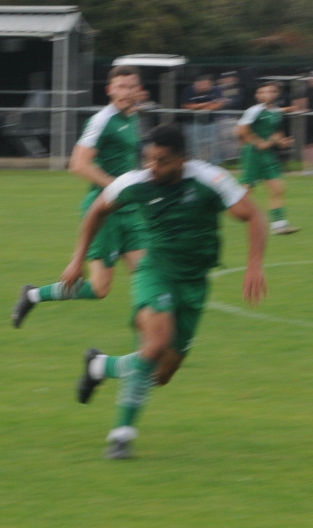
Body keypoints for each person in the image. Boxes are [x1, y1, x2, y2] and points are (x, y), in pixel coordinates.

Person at [64, 123, 266, 459]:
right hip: (155, 269)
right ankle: (122, 435)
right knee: (156, 343)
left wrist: (255, 265)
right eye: (149, 159)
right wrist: (77, 260)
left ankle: (100, 366)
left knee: (161, 374)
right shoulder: (135, 183)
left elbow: (253, 215)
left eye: (163, 162)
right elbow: (97, 211)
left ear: (184, 159)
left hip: (195, 282)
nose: (153, 168)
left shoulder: (209, 180)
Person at [12, 66, 146, 328]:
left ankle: (149, 341)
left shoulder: (132, 118)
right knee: (99, 288)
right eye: (120, 86)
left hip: (131, 211)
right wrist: (115, 186)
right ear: (109, 90)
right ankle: (33, 294)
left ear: (138, 90)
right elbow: (78, 164)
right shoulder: (102, 120)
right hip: (105, 211)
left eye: (131, 87)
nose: (126, 92)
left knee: (146, 274)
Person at [236, 81, 300, 235]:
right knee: (247, 190)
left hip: (268, 155)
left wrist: (283, 142)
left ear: (276, 94)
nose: (267, 94)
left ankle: (280, 225)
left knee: (279, 188)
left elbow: (276, 133)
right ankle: (228, 211)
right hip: (253, 154)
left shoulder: (276, 112)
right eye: (263, 92)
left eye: (271, 91)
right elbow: (241, 130)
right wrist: (258, 143)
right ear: (258, 95)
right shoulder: (254, 111)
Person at [180, 74, 224, 162]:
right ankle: (193, 162)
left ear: (210, 84)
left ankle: (214, 163)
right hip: (192, 123)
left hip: (211, 122)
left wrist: (201, 109)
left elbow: (220, 104)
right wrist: (204, 104)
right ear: (196, 84)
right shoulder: (189, 90)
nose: (203, 86)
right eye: (201, 84)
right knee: (193, 145)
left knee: (213, 144)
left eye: (206, 84)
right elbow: (186, 106)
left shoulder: (215, 89)